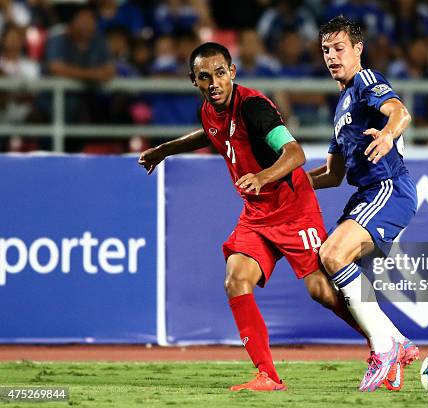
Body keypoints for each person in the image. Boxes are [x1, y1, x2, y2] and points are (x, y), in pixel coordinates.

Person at [138, 42, 368, 392]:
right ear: (193, 80)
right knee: (235, 278)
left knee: (320, 290)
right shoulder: (209, 111)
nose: (214, 82)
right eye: (205, 76)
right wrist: (165, 149)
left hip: (293, 208)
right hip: (257, 214)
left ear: (232, 72)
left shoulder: (255, 107)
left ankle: (383, 343)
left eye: (219, 73)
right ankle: (268, 375)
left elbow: (295, 153)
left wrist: (262, 176)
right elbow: (212, 134)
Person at [308, 16, 419, 393]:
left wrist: (388, 135)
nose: (332, 56)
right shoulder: (341, 106)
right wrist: (284, 183)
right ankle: (396, 342)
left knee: (333, 254)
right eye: (326, 50)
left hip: (388, 188)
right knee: (323, 281)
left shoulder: (365, 81)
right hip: (365, 196)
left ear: (358, 49)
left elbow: (401, 112)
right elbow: (331, 174)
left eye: (339, 48)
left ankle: (384, 348)